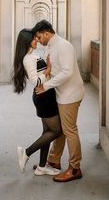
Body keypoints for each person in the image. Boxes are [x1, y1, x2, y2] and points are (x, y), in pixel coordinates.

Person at [32, 20, 85, 182]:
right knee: (61, 129)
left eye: (39, 37)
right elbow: (53, 70)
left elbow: (67, 72)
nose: (38, 40)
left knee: (69, 130)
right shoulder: (50, 47)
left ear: (46, 32)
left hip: (70, 95)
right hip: (61, 94)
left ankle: (75, 168)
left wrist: (45, 86)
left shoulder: (63, 46)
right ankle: (54, 161)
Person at [13, 28, 62, 176]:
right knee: (56, 131)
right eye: (34, 39)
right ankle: (26, 153)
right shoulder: (28, 59)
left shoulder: (31, 55)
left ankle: (41, 167)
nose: (37, 40)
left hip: (45, 95)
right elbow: (35, 81)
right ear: (27, 41)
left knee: (47, 132)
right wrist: (47, 72)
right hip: (44, 97)